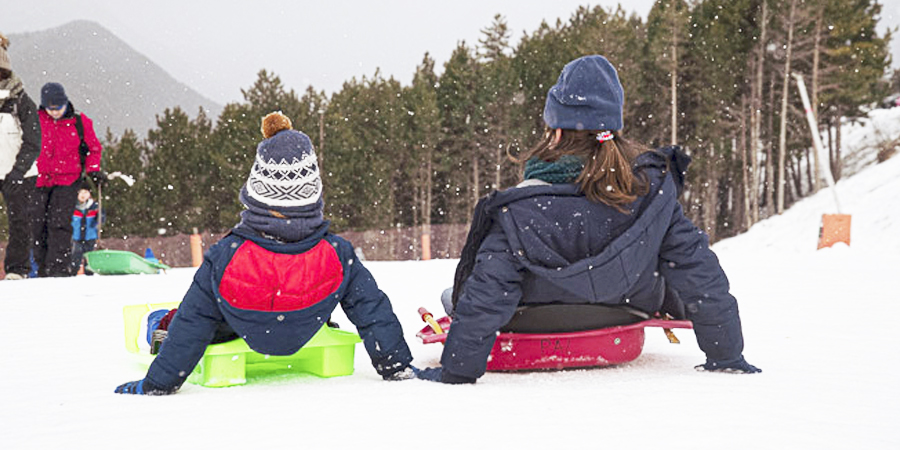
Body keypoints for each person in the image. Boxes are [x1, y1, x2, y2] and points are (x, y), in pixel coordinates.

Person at [420, 55, 761, 384]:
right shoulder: (651, 196)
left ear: (554, 133)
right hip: (623, 312)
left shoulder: (520, 208)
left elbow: (487, 292)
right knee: (665, 275)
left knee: (454, 296)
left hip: (533, 321)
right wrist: (726, 356)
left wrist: (457, 371)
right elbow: (698, 272)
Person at [115, 112, 416, 395]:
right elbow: (372, 310)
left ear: (255, 194)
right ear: (313, 195)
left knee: (173, 319)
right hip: (305, 326)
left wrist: (157, 383)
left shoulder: (226, 255)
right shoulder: (338, 253)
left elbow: (194, 322)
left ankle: (157, 325)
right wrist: (396, 365)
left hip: (237, 328)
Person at [33, 82, 104, 277]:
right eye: (50, 109)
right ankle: (42, 269)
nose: (55, 112)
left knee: (59, 223)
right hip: (38, 181)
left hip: (67, 180)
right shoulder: (35, 120)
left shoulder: (80, 122)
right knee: (37, 226)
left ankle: (58, 268)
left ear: (65, 103)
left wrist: (93, 169)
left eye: (59, 108)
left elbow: (94, 149)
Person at [0, 32, 40, 280]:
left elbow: (33, 141)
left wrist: (17, 172)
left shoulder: (22, 101)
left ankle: (17, 270)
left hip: (20, 174)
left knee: (20, 223)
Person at [70, 185, 100, 275]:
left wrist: (99, 218)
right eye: (81, 192)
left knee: (89, 256)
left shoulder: (94, 207)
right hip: (76, 236)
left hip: (90, 236)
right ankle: (73, 272)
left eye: (86, 192)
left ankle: (89, 272)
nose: (83, 195)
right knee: (76, 255)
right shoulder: (73, 206)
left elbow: (100, 218)